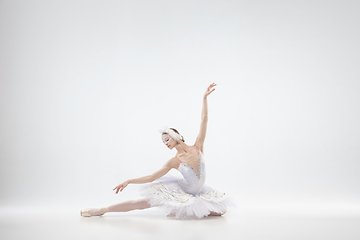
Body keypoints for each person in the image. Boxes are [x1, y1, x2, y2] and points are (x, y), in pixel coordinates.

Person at [81, 83, 234, 219]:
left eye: (167, 139)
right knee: (142, 203)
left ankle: (179, 210)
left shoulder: (198, 146)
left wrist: (204, 98)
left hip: (198, 193)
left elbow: (204, 119)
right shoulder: (174, 161)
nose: (165, 144)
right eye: (163, 142)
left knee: (221, 211)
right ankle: (103, 210)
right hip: (181, 192)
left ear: (176, 136)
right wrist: (129, 181)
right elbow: (152, 177)